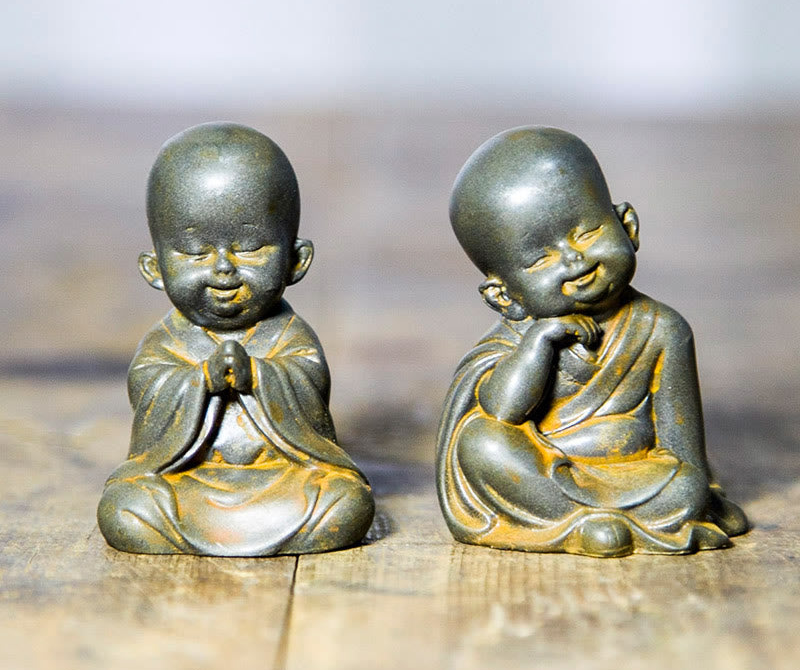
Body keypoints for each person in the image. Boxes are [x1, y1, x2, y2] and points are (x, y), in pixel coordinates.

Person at [437, 126, 747, 556]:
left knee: (684, 486)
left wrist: (698, 493)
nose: (574, 261)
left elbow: (683, 447)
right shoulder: (517, 337)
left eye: (586, 233)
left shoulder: (662, 329)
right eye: (541, 257)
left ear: (628, 226)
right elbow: (501, 411)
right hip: (537, 471)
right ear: (504, 296)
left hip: (634, 476)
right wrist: (538, 345)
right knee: (480, 443)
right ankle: (580, 526)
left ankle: (591, 522)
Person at [98, 123, 374, 556]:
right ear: (154, 269)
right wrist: (200, 380)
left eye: (249, 247)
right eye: (194, 252)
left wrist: (259, 376)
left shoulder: (290, 336)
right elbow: (150, 392)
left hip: (280, 480)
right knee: (126, 507)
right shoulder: (165, 342)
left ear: (296, 261)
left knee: (345, 501)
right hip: (189, 480)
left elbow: (308, 391)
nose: (223, 269)